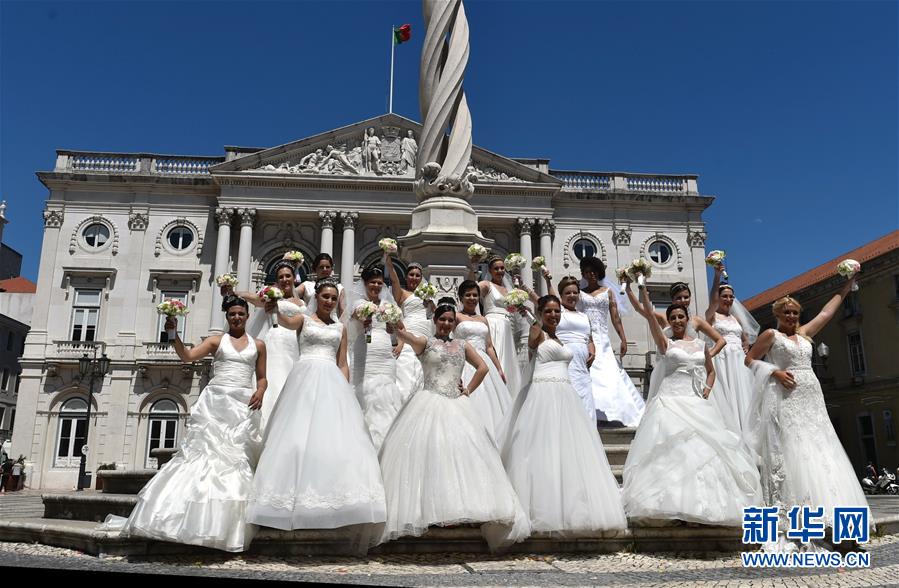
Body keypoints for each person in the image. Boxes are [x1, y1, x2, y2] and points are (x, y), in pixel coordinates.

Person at [112, 296, 266, 552]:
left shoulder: (259, 344)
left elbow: (262, 377)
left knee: (237, 461)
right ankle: (184, 519)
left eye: (241, 313)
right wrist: (173, 333)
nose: (237, 317)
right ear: (227, 317)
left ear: (248, 316)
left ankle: (224, 526)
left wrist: (260, 391)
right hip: (216, 403)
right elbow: (188, 356)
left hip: (242, 405)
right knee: (202, 458)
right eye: (232, 314)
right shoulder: (216, 341)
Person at [377, 301, 530, 551]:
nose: (446, 324)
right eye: (442, 319)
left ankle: (461, 509)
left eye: (450, 320)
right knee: (432, 453)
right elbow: (404, 335)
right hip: (428, 402)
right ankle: (429, 510)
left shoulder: (462, 345)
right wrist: (392, 319)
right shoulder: (425, 343)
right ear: (435, 320)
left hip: (457, 404)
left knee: (464, 454)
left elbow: (482, 367)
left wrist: (468, 389)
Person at [247, 279, 386, 539]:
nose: (329, 301)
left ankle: (337, 500)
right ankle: (289, 499)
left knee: (332, 440)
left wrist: (345, 389)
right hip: (305, 378)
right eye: (325, 297)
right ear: (316, 297)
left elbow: (342, 362)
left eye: (333, 298)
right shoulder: (303, 319)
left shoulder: (340, 328)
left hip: (332, 380)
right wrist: (274, 304)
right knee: (297, 437)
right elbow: (286, 323)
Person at [745, 275, 869, 546]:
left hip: (812, 397)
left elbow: (827, 312)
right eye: (787, 312)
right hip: (787, 398)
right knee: (795, 449)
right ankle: (800, 515)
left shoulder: (804, 334)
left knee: (822, 447)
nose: (791, 316)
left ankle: (834, 516)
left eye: (795, 313)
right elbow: (750, 359)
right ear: (778, 314)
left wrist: (846, 286)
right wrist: (775, 372)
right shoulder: (771, 335)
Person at [622, 285, 762, 525]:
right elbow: (650, 319)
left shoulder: (700, 345)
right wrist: (642, 289)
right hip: (670, 400)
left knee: (703, 449)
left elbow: (711, 371)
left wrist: (707, 389)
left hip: (695, 399)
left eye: (680, 317)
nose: (677, 321)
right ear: (669, 321)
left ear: (687, 320)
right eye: (673, 318)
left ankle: (702, 505)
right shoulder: (666, 344)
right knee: (671, 449)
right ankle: (672, 504)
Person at [499, 294, 627, 536]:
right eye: (548, 311)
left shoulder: (559, 338)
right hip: (542, 395)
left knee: (567, 451)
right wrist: (525, 308)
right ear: (540, 313)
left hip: (566, 396)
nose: (554, 315)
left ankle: (571, 507)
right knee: (541, 450)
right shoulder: (537, 334)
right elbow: (534, 332)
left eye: (557, 311)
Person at [230, 260, 303, 429]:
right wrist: (235, 292)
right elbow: (254, 299)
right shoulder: (270, 296)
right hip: (275, 341)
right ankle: (266, 426)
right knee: (275, 375)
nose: (285, 279)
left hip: (295, 344)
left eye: (288, 276)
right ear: (276, 280)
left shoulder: (302, 303)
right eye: (281, 277)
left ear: (294, 278)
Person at [578, 256, 645, 426]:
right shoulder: (579, 293)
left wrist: (623, 339)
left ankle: (610, 411)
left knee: (608, 372)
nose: (591, 274)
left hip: (602, 339)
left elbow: (616, 317)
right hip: (586, 338)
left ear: (599, 273)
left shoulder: (608, 292)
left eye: (594, 271)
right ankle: (588, 411)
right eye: (587, 272)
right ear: (583, 274)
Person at [349, 266, 405, 450]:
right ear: (365, 283)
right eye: (372, 282)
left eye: (379, 282)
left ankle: (387, 445)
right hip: (366, 350)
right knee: (364, 392)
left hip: (384, 353)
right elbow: (354, 317)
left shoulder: (388, 305)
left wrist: (398, 341)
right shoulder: (359, 303)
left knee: (386, 394)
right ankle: (363, 443)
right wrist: (363, 318)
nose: (376, 285)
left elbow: (401, 327)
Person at [451, 285, 512, 439]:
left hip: (485, 362)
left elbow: (489, 346)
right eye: (468, 295)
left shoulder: (483, 319)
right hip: (464, 361)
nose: (472, 298)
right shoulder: (456, 316)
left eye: (475, 295)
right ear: (461, 297)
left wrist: (499, 368)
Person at [704, 265, 758, 437]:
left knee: (742, 394)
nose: (728, 299)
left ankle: (746, 432)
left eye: (730, 297)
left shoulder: (736, 319)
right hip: (721, 359)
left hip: (738, 361)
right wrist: (716, 276)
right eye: (724, 296)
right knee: (726, 395)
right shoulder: (712, 316)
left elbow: (745, 340)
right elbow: (712, 302)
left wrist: (746, 347)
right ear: (718, 298)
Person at [468, 255, 522, 397]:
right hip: (493, 325)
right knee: (496, 356)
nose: (499, 271)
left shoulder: (508, 289)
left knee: (507, 361)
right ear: (490, 271)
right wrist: (474, 269)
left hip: (507, 327)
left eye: (502, 268)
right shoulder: (487, 285)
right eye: (496, 268)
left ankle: (508, 394)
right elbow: (471, 289)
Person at [384, 250, 433, 402]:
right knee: (406, 364)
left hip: (426, 332)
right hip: (409, 331)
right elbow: (393, 279)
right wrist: (388, 258)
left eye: (418, 275)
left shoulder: (427, 295)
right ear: (406, 276)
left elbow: (435, 314)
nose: (414, 278)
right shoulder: (402, 293)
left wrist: (430, 302)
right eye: (411, 275)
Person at [550, 276, 597, 424]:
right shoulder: (557, 313)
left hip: (582, 366)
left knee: (585, 401)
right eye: (568, 293)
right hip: (565, 363)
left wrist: (592, 351)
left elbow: (589, 338)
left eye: (575, 292)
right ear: (561, 295)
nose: (572, 296)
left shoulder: (584, 316)